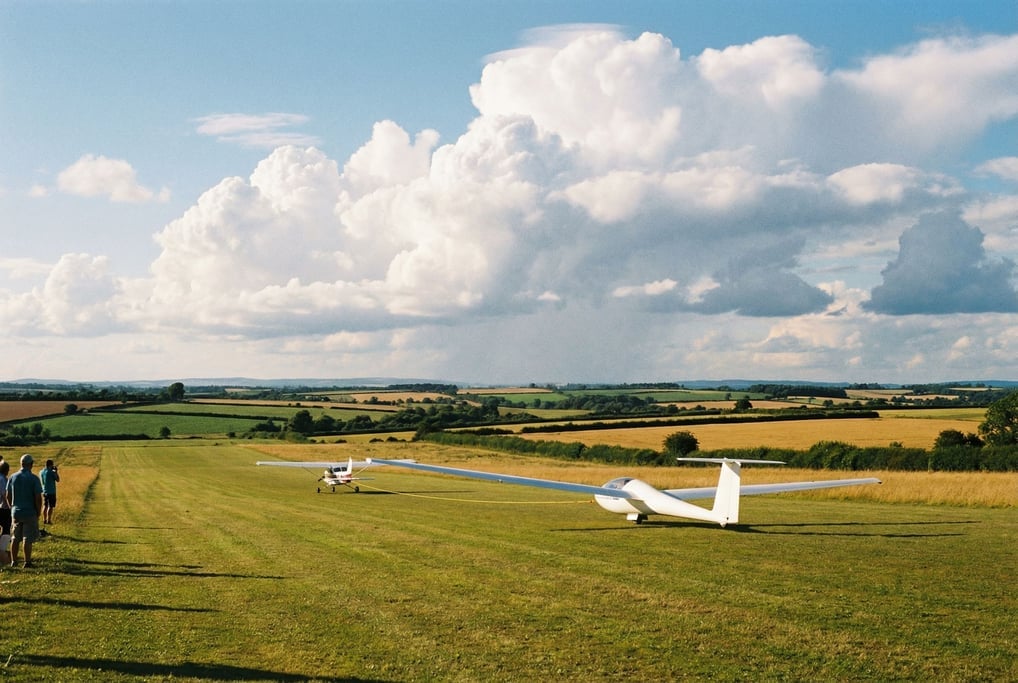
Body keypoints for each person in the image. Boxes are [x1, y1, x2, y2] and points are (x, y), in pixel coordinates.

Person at [5, 453, 42, 568]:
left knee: (15, 537)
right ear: (31, 464)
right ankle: (27, 562)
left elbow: (7, 495)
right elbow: (38, 498)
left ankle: (13, 561)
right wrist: (38, 511)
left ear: (21, 464)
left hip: (16, 511)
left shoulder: (13, 477)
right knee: (27, 537)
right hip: (29, 512)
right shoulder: (34, 478)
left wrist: (12, 507)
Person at [40, 459, 60, 525]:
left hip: (44, 491)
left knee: (45, 505)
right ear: (51, 465)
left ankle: (44, 519)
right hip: (51, 492)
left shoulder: (41, 472)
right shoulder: (51, 472)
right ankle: (49, 520)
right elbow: (58, 480)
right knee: (50, 506)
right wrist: (56, 472)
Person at [0, 460, 10, 567]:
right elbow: (4, 495)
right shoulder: (2, 479)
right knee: (6, 529)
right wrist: (10, 506)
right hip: (3, 508)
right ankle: (2, 551)